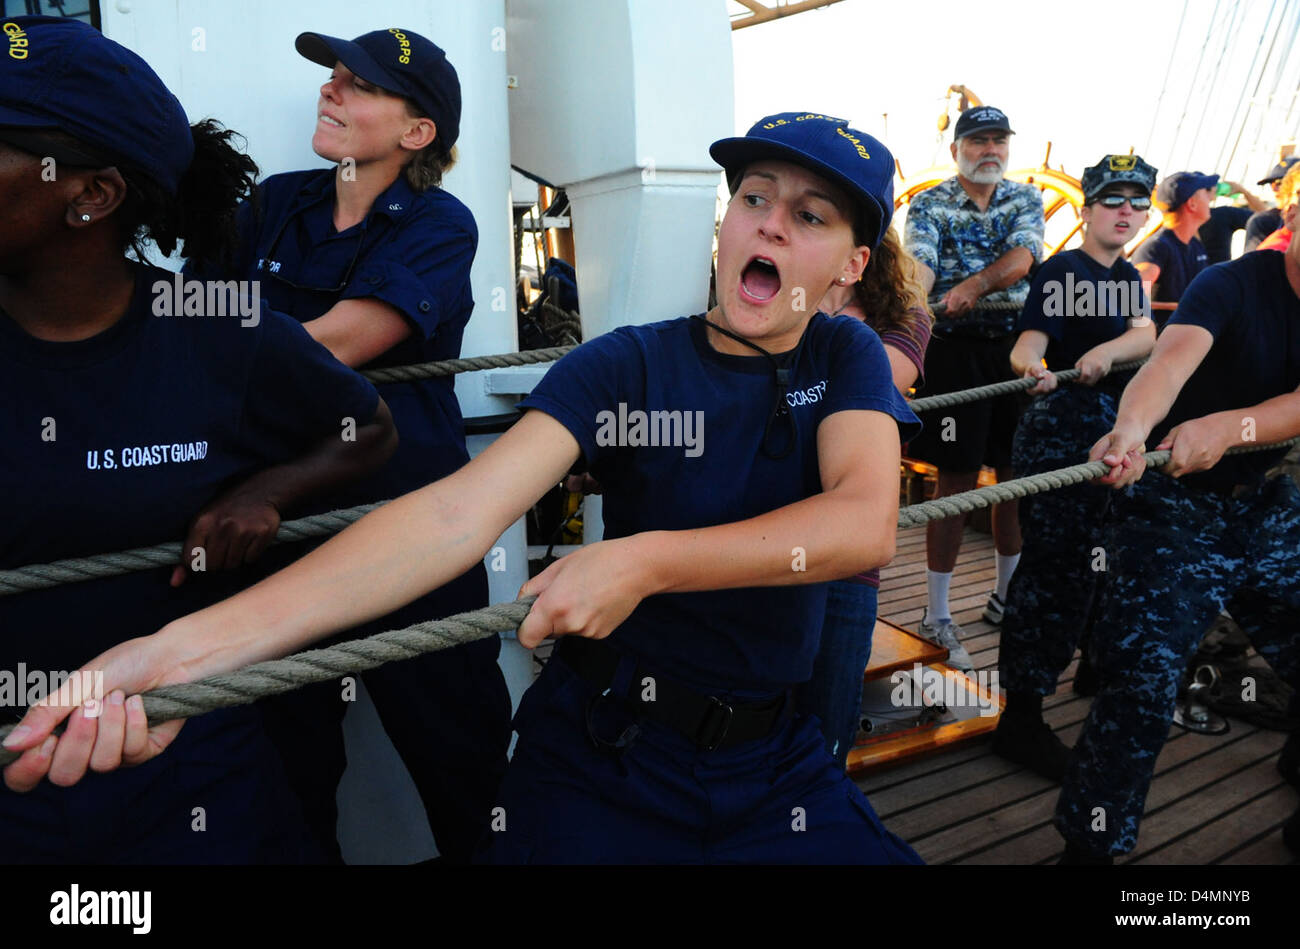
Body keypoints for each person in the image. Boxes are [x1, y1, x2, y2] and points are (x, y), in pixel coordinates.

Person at [5, 111, 926, 865]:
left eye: (811, 217)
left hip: (776, 765)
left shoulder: (844, 354)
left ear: (851, 267)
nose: (768, 221)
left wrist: (642, 561)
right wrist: (172, 655)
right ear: (725, 226)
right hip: (608, 754)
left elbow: (861, 521)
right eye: (754, 198)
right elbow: (453, 515)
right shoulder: (625, 365)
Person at [0, 16, 397, 862]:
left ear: (92, 196)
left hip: (188, 771)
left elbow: (365, 426)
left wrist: (269, 493)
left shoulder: (216, 330)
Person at [187, 27, 512, 864]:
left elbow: (344, 341)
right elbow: (187, 328)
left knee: (460, 759)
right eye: (332, 77)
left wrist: (229, 350)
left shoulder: (441, 223)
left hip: (409, 536)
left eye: (357, 84)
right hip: (278, 534)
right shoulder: (271, 203)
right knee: (285, 772)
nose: (330, 91)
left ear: (416, 133)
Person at [1054, 188, 1300, 863]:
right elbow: (1168, 363)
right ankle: (1089, 847)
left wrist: (1228, 427)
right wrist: (1129, 431)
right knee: (1141, 681)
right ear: (1295, 217)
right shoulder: (1230, 284)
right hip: (1175, 504)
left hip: (1266, 500)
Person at [992, 155, 1158, 782]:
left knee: (1101, 555)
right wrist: (1032, 368)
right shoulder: (1064, 272)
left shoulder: (1128, 278)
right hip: (1062, 436)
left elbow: (1145, 335)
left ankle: (1089, 664)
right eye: (1112, 199)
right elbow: (1029, 341)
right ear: (1086, 209)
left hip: (1113, 431)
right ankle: (1022, 718)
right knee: (1055, 569)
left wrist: (1105, 351)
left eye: (1137, 202)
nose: (1125, 211)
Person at [903, 105, 1045, 666]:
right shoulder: (931, 203)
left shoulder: (1024, 199)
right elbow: (920, 264)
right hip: (953, 354)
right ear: (957, 148)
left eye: (998, 140)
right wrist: (918, 302)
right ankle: (937, 614)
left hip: (1014, 352)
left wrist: (976, 286)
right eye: (979, 140)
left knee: (1015, 480)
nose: (990, 149)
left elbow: (1026, 255)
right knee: (956, 483)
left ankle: (1007, 598)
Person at [799, 229, 932, 766]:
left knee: (829, 720)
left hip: (845, 551)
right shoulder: (767, 301)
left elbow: (879, 376)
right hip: (757, 531)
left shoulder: (903, 315)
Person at [1131, 171, 1213, 316]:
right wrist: (1183, 307)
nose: (1211, 197)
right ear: (1192, 204)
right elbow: (1130, 298)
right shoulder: (1157, 248)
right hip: (1162, 336)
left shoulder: (1194, 245)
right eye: (1206, 192)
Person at [1244, 156, 1298, 253]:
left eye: (1280, 183)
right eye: (1271, 184)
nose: (1275, 190)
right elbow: (1256, 261)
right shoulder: (1263, 221)